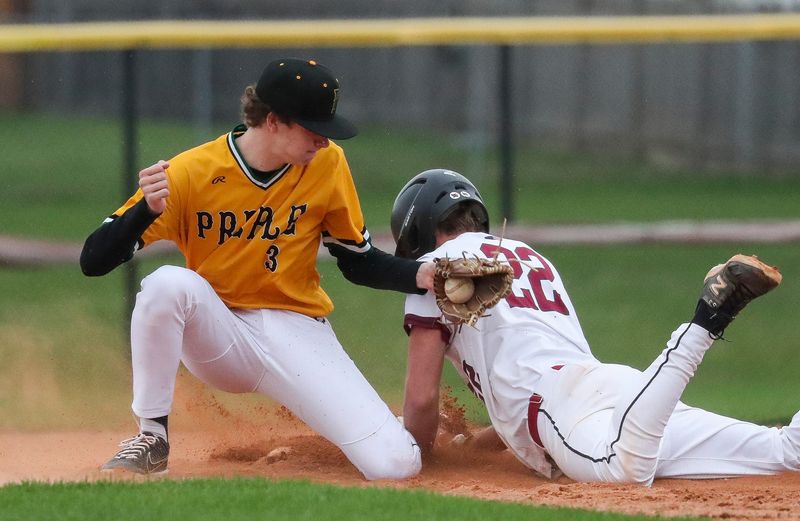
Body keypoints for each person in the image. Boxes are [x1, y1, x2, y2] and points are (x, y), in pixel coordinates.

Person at [80, 58, 435, 479]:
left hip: (297, 330)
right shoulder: (193, 172)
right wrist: (143, 211)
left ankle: (378, 427)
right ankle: (152, 436)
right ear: (273, 121)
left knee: (395, 466)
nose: (323, 140)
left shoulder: (328, 163)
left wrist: (419, 275)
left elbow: (358, 262)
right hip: (220, 332)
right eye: (312, 127)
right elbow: (94, 261)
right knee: (167, 284)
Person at [391, 168, 800, 485]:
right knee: (786, 452)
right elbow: (524, 377)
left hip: (563, 410)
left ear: (419, 234)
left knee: (624, 470)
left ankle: (707, 321)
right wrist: (477, 443)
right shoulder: (527, 256)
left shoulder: (435, 269)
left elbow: (422, 400)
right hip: (614, 389)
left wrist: (423, 454)